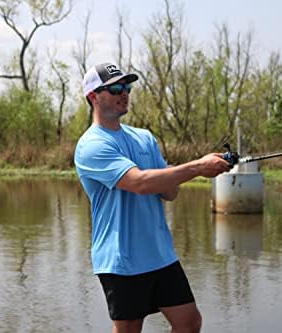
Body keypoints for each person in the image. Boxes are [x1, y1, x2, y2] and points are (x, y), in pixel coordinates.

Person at [74, 62, 231, 333]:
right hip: (121, 259)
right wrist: (197, 167)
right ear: (93, 97)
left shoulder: (144, 138)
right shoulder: (91, 146)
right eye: (115, 88)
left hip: (160, 254)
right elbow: (139, 184)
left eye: (127, 86)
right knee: (129, 329)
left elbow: (169, 192)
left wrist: (183, 172)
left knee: (190, 322)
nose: (124, 93)